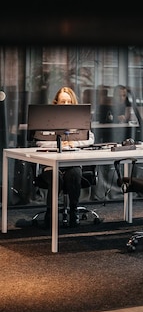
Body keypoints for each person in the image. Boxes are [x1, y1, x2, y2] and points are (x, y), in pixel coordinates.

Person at [35, 86, 95, 228]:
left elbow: (90, 139)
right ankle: (50, 213)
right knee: (56, 177)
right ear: (56, 103)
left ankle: (74, 211)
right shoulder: (47, 119)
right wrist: (58, 145)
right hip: (50, 163)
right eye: (63, 102)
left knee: (75, 173)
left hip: (72, 162)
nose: (66, 105)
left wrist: (73, 142)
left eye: (69, 102)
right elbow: (39, 141)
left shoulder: (79, 120)